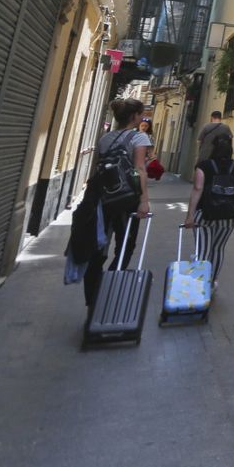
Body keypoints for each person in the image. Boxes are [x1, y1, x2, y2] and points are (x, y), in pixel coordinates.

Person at [69, 98, 153, 314]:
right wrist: (144, 200)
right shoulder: (139, 137)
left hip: (103, 199)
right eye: (141, 114)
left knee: (98, 246)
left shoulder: (105, 138)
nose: (142, 118)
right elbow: (139, 169)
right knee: (126, 245)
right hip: (127, 199)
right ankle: (110, 288)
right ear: (134, 116)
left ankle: (92, 300)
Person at [182, 134, 234, 284]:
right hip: (228, 216)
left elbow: (197, 188)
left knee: (203, 249)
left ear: (213, 147)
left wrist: (190, 215)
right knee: (218, 248)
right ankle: (212, 282)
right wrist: (230, 194)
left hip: (205, 214)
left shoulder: (204, 166)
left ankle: (200, 284)